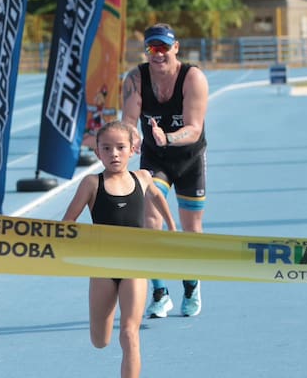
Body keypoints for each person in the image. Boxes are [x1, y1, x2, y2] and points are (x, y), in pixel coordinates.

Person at [62, 121, 176, 378]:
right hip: (102, 267)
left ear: (132, 150)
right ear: (98, 153)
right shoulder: (92, 184)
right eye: (107, 148)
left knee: (129, 332)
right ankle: (105, 320)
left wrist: (171, 225)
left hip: (134, 265)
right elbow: (67, 223)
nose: (114, 153)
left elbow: (157, 196)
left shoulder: (143, 177)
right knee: (100, 340)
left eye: (120, 147)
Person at [121, 23, 209, 318]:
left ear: (176, 48)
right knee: (149, 221)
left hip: (188, 158)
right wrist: (130, 138)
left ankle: (192, 284)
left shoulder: (192, 78)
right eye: (152, 48)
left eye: (163, 48)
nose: (158, 54)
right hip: (155, 159)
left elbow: (195, 130)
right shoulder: (135, 79)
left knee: (190, 229)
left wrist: (168, 137)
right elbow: (130, 121)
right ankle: (159, 292)